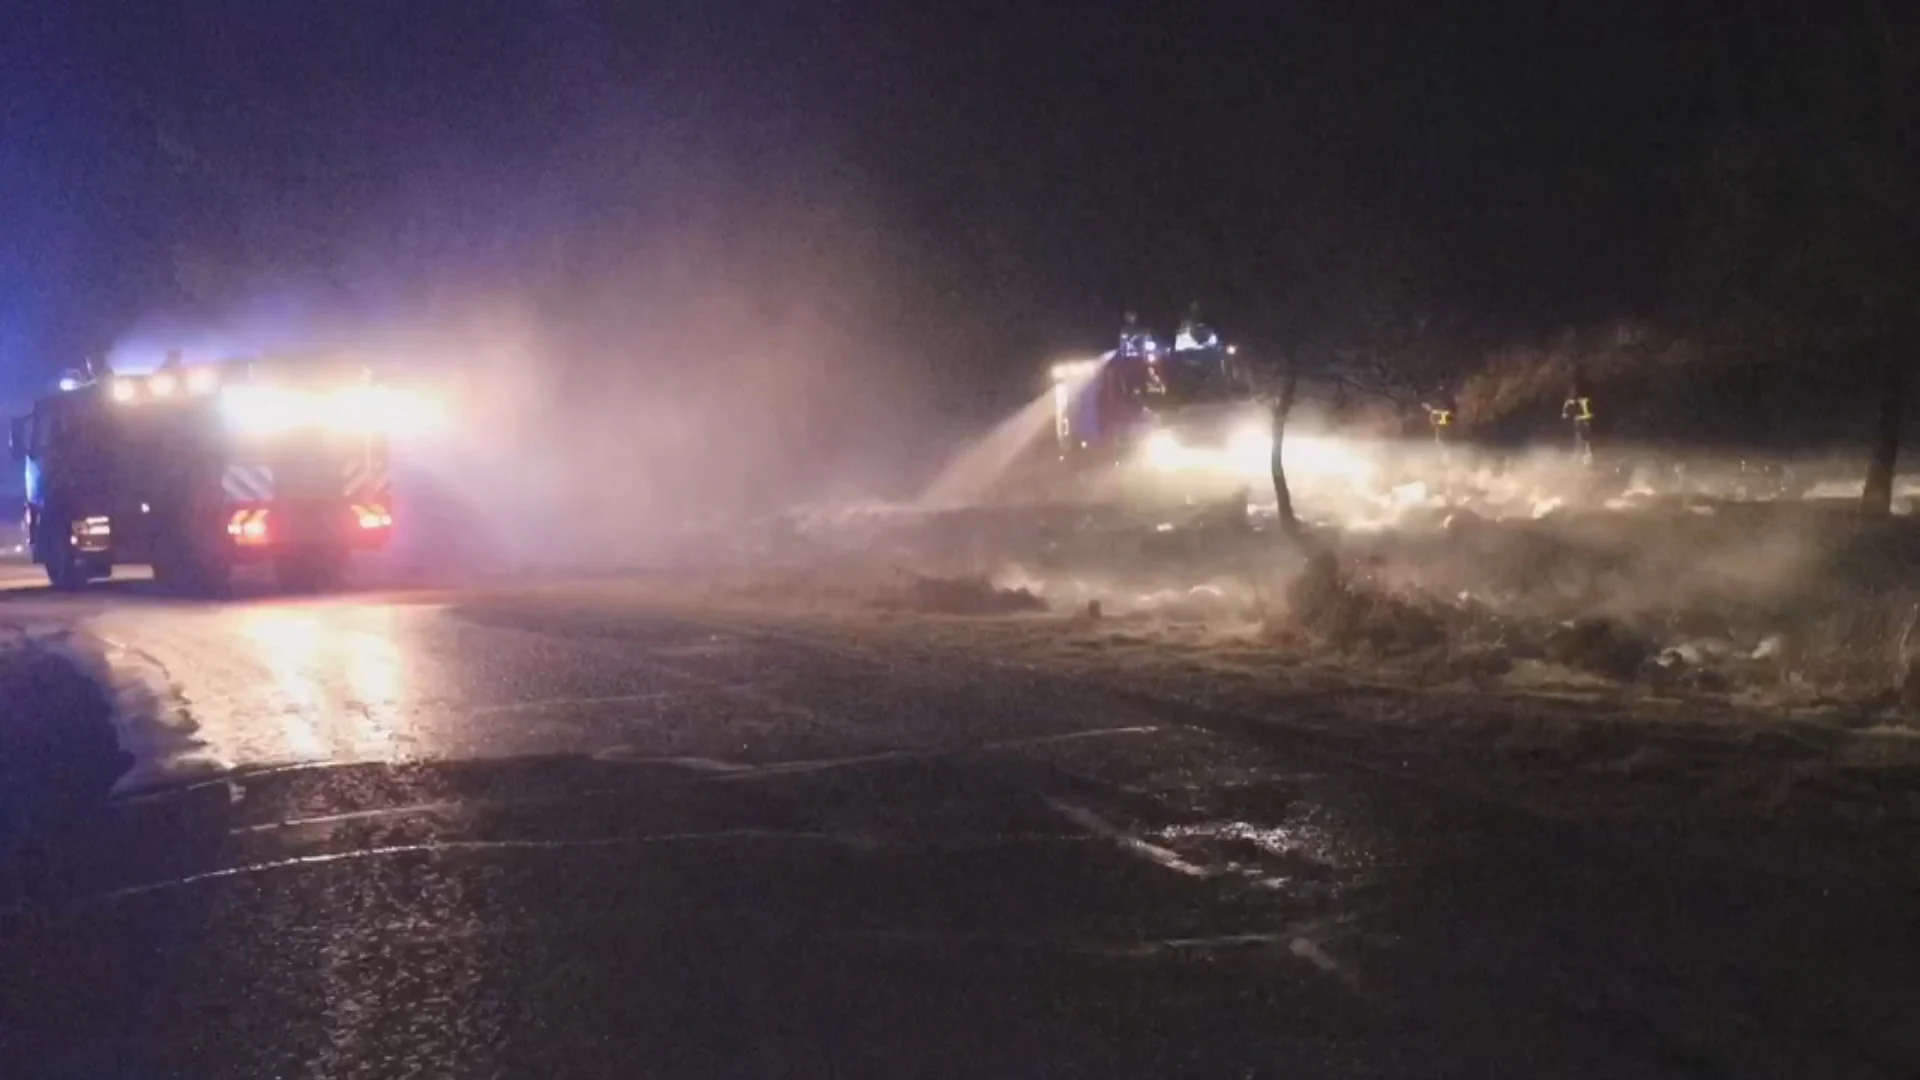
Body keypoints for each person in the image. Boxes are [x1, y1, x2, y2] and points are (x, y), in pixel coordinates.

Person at [1562, 370, 1594, 465]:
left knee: (1585, 437)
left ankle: (1587, 454)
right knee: (1582, 437)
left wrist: (1565, 412)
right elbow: (1568, 403)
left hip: (1583, 419)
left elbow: (1568, 403)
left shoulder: (1583, 399)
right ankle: (1583, 454)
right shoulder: (1577, 399)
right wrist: (1565, 412)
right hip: (1581, 419)